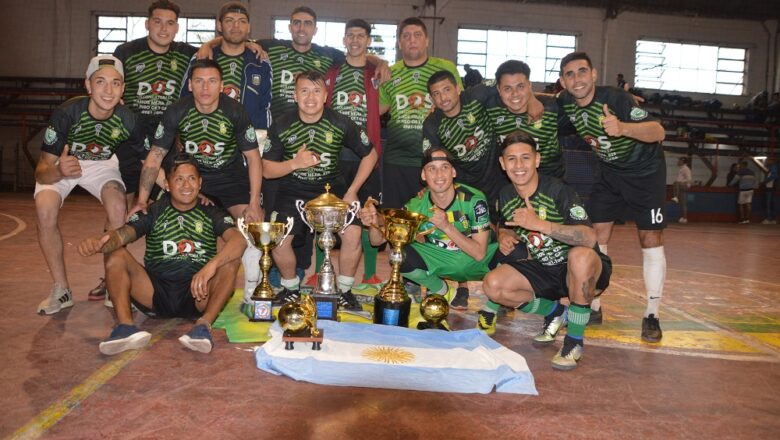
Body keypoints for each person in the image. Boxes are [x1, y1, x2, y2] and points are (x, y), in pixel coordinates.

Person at [78, 154, 246, 355]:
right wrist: (100, 242)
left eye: (192, 178)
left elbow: (239, 240)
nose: (186, 185)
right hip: (155, 293)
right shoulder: (153, 211)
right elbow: (122, 235)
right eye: (179, 179)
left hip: (197, 294)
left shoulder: (212, 212)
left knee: (230, 262)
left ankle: (203, 327)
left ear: (200, 183)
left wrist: (211, 266)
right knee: (115, 253)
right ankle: (125, 328)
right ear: (167, 184)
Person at [132, 59, 264, 304]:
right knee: (163, 220)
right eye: (199, 81)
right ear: (190, 85)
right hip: (190, 179)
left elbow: (254, 158)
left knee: (254, 229)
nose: (205, 88)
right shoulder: (176, 110)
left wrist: (254, 201)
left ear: (222, 85)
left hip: (230, 180)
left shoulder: (235, 111)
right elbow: (155, 156)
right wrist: (142, 199)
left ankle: (252, 294)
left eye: (212, 81)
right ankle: (168, 281)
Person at [480, 131, 611, 370]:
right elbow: (504, 223)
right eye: (511, 159)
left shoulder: (558, 191)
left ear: (537, 160)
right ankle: (555, 311)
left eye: (525, 158)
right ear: (502, 163)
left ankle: (574, 342)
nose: (518, 165)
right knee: (493, 285)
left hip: (583, 270)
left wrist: (541, 225)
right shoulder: (506, 194)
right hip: (546, 269)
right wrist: (505, 235)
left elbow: (590, 237)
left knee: (579, 255)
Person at [94, 0, 198, 303]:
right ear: (147, 23)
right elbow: (105, 83)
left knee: (162, 213)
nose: (163, 28)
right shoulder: (126, 53)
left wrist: (216, 41)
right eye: (158, 22)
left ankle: (157, 274)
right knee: (121, 211)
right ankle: (112, 277)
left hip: (168, 146)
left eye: (169, 23)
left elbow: (215, 55)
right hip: (130, 142)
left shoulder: (188, 54)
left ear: (177, 27)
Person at [558, 52, 666, 341]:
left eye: (582, 71)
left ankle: (652, 315)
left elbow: (658, 131)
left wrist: (623, 128)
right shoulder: (566, 103)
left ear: (593, 74)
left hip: (645, 173)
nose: (576, 78)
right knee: (596, 236)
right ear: (562, 81)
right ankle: (594, 306)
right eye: (569, 74)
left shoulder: (616, 99)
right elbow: (539, 103)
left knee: (650, 240)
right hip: (609, 173)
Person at [34, 55, 146, 315]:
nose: (108, 91)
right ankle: (61, 289)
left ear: (123, 88)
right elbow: (41, 172)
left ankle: (114, 284)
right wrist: (59, 171)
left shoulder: (128, 119)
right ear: (88, 85)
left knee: (118, 206)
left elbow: (149, 160)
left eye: (115, 83)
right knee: (44, 207)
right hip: (64, 164)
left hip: (102, 164)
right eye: (101, 82)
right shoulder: (67, 113)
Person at [262, 71, 377, 309]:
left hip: (331, 190)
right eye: (304, 91)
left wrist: (353, 190)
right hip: (293, 191)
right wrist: (295, 163)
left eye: (316, 91)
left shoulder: (340, 121)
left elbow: (371, 154)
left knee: (354, 234)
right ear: (295, 95)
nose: (310, 97)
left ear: (325, 95)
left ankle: (344, 291)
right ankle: (291, 287)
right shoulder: (282, 124)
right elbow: (266, 169)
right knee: (278, 239)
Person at [182, 1, 271, 297]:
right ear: (220, 26)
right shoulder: (204, 57)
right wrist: (210, 42)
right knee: (199, 220)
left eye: (241, 21)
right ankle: (193, 283)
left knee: (252, 218)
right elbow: (184, 107)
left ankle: (252, 290)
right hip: (208, 150)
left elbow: (268, 104)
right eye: (229, 21)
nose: (235, 26)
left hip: (249, 145)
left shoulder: (260, 58)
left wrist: (261, 141)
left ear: (249, 27)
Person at [359, 148, 497, 306]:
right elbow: (377, 242)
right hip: (440, 259)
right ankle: (441, 289)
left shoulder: (474, 200)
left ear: (453, 172)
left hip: (475, 263)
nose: (439, 175)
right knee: (400, 254)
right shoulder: (416, 205)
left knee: (513, 251)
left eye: (444, 167)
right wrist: (374, 223)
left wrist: (446, 226)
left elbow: (479, 254)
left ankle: (492, 308)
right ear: (423, 175)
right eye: (432, 169)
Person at [324, 19, 384, 285]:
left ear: (368, 40)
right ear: (344, 40)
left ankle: (370, 273)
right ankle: (320, 272)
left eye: (361, 35)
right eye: (351, 35)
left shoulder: (377, 73)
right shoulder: (332, 72)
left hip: (366, 156)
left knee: (368, 213)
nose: (356, 40)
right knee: (326, 214)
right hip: (335, 156)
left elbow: (385, 106)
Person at [379, 17, 462, 209]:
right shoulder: (390, 73)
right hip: (397, 160)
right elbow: (375, 111)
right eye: (406, 36)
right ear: (399, 43)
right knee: (396, 218)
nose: (412, 40)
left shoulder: (445, 68)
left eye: (417, 35)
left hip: (436, 160)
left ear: (427, 40)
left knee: (434, 216)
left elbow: (462, 103)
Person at [489, 60, 567, 179]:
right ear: (499, 90)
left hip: (550, 182)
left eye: (520, 86)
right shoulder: (491, 111)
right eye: (507, 88)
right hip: (510, 181)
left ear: (529, 86)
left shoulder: (551, 109)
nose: (515, 94)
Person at [731, 159, 756, 224]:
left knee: (741, 205)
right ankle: (747, 219)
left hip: (743, 190)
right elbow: (755, 181)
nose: (740, 166)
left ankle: (742, 219)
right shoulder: (752, 172)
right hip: (751, 190)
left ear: (743, 165)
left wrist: (729, 184)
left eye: (740, 165)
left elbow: (735, 180)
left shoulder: (741, 172)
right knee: (748, 204)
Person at [672, 157, 692, 223]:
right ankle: (684, 218)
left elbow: (689, 179)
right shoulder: (681, 169)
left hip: (685, 185)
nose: (677, 162)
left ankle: (676, 197)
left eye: (679, 160)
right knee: (682, 204)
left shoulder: (686, 169)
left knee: (676, 183)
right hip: (681, 187)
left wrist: (681, 182)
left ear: (683, 161)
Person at [762, 158, 777, 224]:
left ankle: (768, 218)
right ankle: (772, 219)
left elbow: (774, 176)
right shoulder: (771, 168)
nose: (766, 162)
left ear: (771, 161)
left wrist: (765, 181)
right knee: (771, 203)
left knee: (768, 203)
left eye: (767, 160)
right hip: (771, 188)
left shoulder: (773, 167)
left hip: (770, 188)